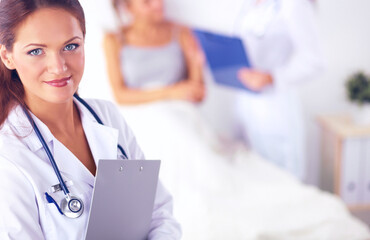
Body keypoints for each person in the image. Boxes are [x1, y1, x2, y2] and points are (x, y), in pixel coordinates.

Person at [0, 0, 181, 239]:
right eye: (36, 51)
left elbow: (158, 214)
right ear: (7, 57)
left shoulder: (106, 116)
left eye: (70, 46)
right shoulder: (8, 157)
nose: (58, 67)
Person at [234, 0, 324, 180]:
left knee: (283, 180)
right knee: (252, 180)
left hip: (276, 107)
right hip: (246, 103)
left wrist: (271, 77)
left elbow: (315, 61)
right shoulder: (249, 5)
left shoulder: (294, 5)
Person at [104, 0, 205, 105]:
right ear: (128, 8)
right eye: (147, 2)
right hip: (137, 115)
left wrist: (197, 66)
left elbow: (199, 94)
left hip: (178, 112)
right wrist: (170, 93)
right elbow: (120, 96)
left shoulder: (182, 33)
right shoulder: (114, 41)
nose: (158, 4)